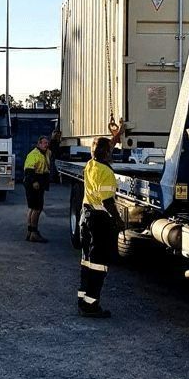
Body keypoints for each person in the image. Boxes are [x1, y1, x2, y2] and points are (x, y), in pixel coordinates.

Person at [77, 135, 125, 318]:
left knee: (87, 260)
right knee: (98, 264)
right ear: (106, 152)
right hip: (99, 220)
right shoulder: (105, 171)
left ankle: (82, 300)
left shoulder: (90, 165)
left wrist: (115, 135)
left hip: (86, 216)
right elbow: (107, 201)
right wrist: (118, 220)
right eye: (110, 149)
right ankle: (91, 305)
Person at [23, 135, 51, 243]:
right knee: (36, 208)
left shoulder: (47, 152)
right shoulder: (33, 154)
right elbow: (28, 170)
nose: (46, 145)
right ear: (38, 144)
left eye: (47, 143)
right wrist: (34, 181)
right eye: (44, 143)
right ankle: (33, 233)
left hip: (40, 182)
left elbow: (53, 150)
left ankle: (30, 232)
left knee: (32, 208)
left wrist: (54, 139)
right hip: (33, 183)